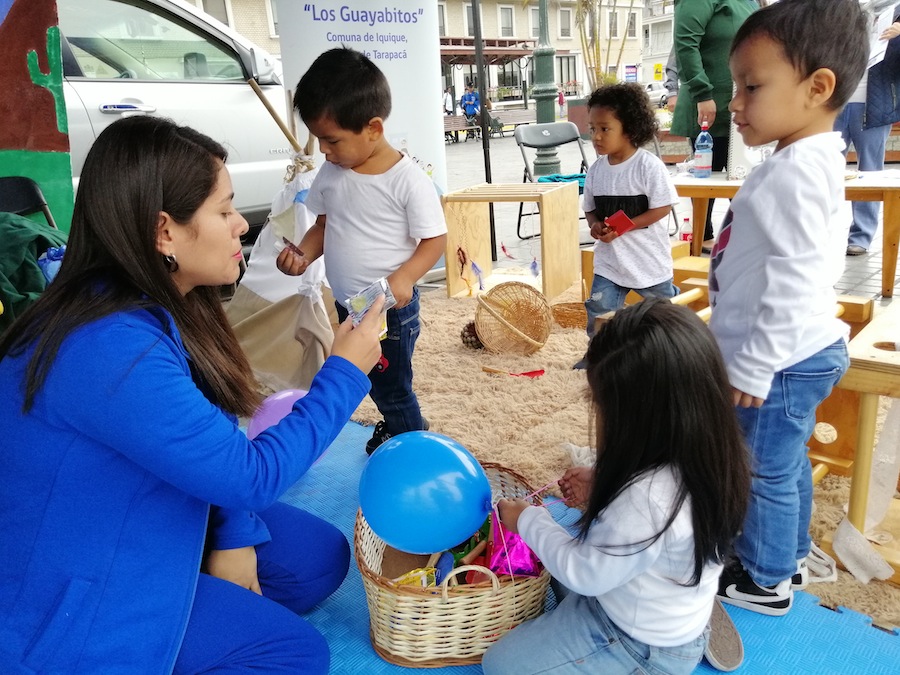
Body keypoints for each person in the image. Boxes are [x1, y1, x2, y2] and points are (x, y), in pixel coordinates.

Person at [0, 115, 387, 673]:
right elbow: (250, 474)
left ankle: (194, 596)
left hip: (146, 504)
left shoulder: (157, 301)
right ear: (165, 232)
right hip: (71, 585)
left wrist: (234, 532)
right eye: (224, 211)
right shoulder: (109, 346)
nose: (241, 226)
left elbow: (210, 433)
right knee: (293, 655)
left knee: (317, 561)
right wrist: (344, 373)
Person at [482, 299, 752, 675]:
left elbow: (584, 573)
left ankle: (671, 642)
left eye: (601, 407)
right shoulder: (712, 453)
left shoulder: (646, 499)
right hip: (643, 594)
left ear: (636, 421)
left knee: (501, 664)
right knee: (557, 559)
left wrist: (527, 519)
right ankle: (682, 599)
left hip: (638, 644)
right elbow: (659, 505)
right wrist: (603, 485)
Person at [709, 0, 869, 615]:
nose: (735, 102)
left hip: (778, 360)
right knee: (784, 461)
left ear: (817, 87)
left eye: (751, 86)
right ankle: (791, 555)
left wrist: (754, 365)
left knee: (762, 469)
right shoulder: (808, 158)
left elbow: (796, 275)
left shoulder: (795, 172)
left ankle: (765, 578)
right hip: (798, 350)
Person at [281, 47, 447, 456]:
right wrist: (302, 255)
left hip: (389, 309)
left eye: (331, 140)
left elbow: (434, 240)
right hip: (349, 304)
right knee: (366, 374)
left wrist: (405, 277)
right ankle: (402, 425)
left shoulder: (407, 180)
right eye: (319, 139)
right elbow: (324, 227)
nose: (323, 150)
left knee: (391, 385)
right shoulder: (331, 173)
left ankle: (412, 447)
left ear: (373, 128)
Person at [575, 82, 680, 369]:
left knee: (662, 316)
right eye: (592, 128)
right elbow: (590, 209)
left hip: (649, 262)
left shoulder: (648, 166)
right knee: (599, 309)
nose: (596, 136)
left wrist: (628, 225)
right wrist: (595, 226)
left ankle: (670, 356)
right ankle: (598, 356)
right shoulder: (596, 171)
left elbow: (663, 206)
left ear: (630, 129)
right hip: (610, 264)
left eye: (605, 129)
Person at [671, 0, 758, 253]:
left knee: (742, 177)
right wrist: (702, 93)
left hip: (744, 101)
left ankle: (743, 240)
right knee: (708, 177)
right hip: (711, 103)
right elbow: (685, 44)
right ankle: (703, 240)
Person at [838, 1, 900, 256]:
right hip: (835, 100)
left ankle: (861, 236)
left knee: (870, 172)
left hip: (874, 103)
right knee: (823, 168)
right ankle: (818, 231)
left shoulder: (895, 10)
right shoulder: (838, 8)